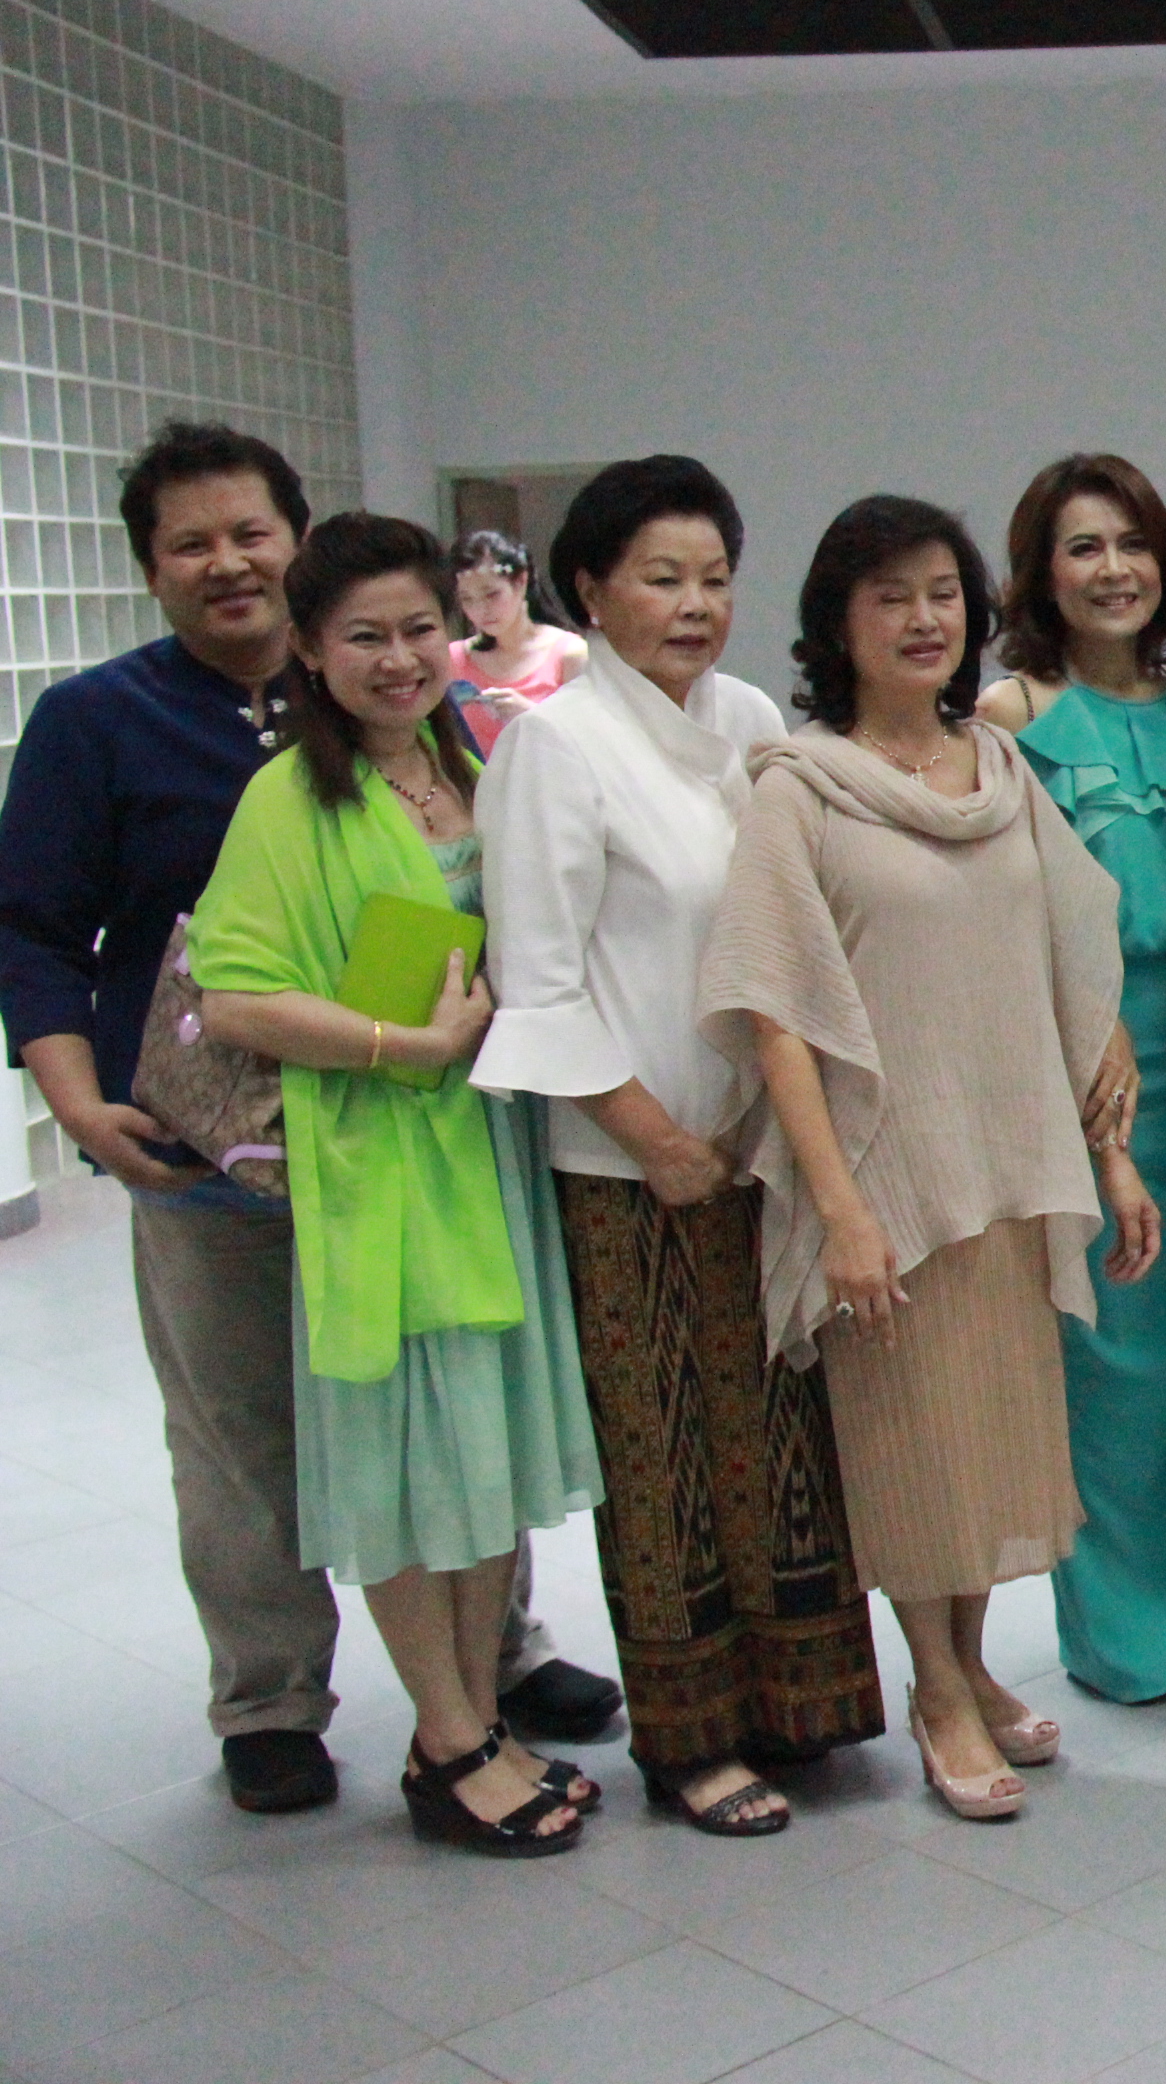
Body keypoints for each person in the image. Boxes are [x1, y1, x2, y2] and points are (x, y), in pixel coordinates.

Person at [0, 421, 612, 1816]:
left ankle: (492, 1669)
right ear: (151, 568)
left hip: (428, 1140)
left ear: (293, 545)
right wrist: (77, 1098)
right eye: (190, 544)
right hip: (213, 1151)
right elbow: (34, 925)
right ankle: (273, 1698)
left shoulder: (426, 725)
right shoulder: (100, 723)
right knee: (246, 1439)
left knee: (451, 1403)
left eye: (249, 534)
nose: (226, 562)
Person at [702, 494, 1157, 1819]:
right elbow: (775, 1012)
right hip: (890, 1179)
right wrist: (839, 1207)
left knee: (989, 1443)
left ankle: (970, 1664)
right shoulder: (800, 789)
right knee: (911, 1456)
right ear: (837, 623)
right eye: (890, 597)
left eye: (943, 594)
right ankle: (939, 1692)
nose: (923, 620)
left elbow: (1074, 960)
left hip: (1010, 1165)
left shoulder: (999, 770)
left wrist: (1112, 1153)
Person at [471, 456, 880, 1836]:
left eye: (714, 578)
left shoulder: (748, 719)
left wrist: (773, 1122)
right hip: (629, 1165)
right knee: (667, 1460)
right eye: (663, 578)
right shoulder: (553, 745)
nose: (696, 604)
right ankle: (693, 1738)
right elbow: (539, 985)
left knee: (783, 1431)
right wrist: (655, 1140)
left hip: (764, 1147)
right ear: (589, 589)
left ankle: (805, 1705)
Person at [188, 513, 608, 1854]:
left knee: (483, 1460)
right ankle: (450, 1733)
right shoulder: (289, 799)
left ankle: (469, 1726)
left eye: (419, 627)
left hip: (486, 1152)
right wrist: (403, 1046)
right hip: (381, 1165)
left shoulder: (470, 760)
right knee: (409, 1468)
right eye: (362, 636)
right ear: (309, 652)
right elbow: (233, 994)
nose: (399, 657)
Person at [978, 454, 1166, 1700]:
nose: (1113, 569)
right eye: (1083, 547)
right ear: (1041, 571)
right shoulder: (1010, 717)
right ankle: (1135, 1638)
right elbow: (1007, 931)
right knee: (1117, 1377)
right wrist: (1093, 1105)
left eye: (1132, 544)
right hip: (1098, 1077)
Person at [446, 529, 588, 754]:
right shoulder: (453, 659)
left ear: (521, 581)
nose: (481, 610)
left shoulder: (570, 654)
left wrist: (534, 717)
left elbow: (592, 744)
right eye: (467, 599)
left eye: (492, 594)